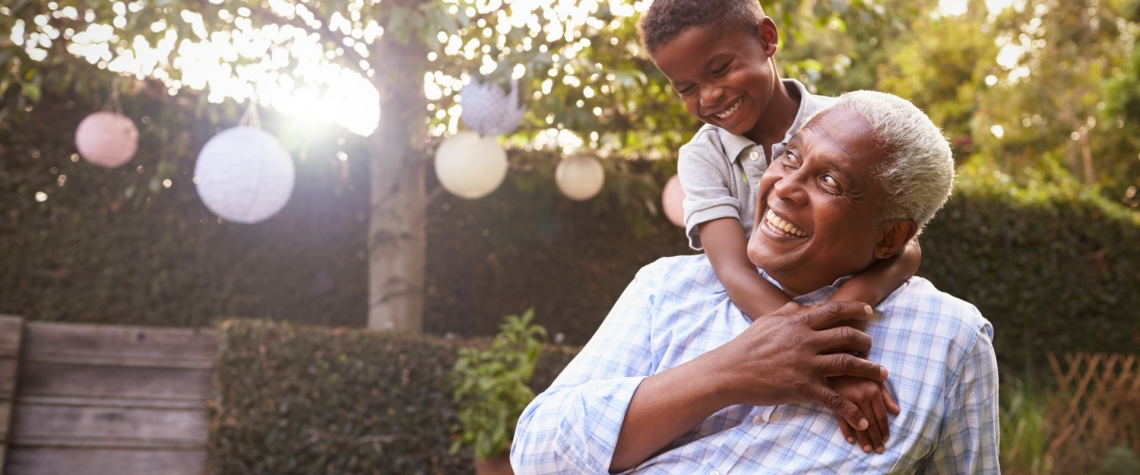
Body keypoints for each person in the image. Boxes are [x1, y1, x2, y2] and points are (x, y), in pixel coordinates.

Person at [511, 91, 1000, 474]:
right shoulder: (667, 289)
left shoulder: (952, 340)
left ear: (891, 236)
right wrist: (728, 372)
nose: (784, 186)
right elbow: (536, 456)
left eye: (830, 181)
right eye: (790, 156)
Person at [641, 0, 921, 452]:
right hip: (758, 333)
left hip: (837, 321)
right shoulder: (702, 157)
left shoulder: (845, 125)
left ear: (767, 39)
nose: (708, 97)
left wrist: (834, 333)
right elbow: (733, 271)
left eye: (720, 69)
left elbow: (905, 250)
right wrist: (824, 360)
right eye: (686, 87)